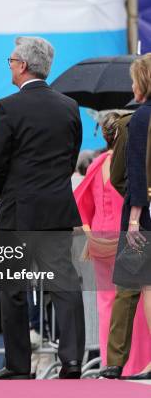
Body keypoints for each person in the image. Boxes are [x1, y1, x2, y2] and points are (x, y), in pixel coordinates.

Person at [0, 36, 85, 380]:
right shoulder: (69, 107)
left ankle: (17, 365)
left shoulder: (7, 107)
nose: (10, 66)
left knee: (13, 288)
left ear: (23, 65)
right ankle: (72, 361)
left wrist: (8, 192)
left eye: (11, 60)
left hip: (18, 211)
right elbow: (70, 157)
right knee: (64, 285)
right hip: (56, 210)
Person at [74, 113, 151, 377]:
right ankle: (137, 364)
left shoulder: (95, 165)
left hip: (99, 241)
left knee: (108, 303)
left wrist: (87, 233)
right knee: (138, 304)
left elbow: (81, 202)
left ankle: (111, 362)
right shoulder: (133, 162)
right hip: (130, 235)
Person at [100, 54, 151, 380]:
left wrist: (133, 218)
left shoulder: (139, 119)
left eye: (134, 79)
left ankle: (123, 363)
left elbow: (131, 175)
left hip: (143, 216)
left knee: (143, 287)